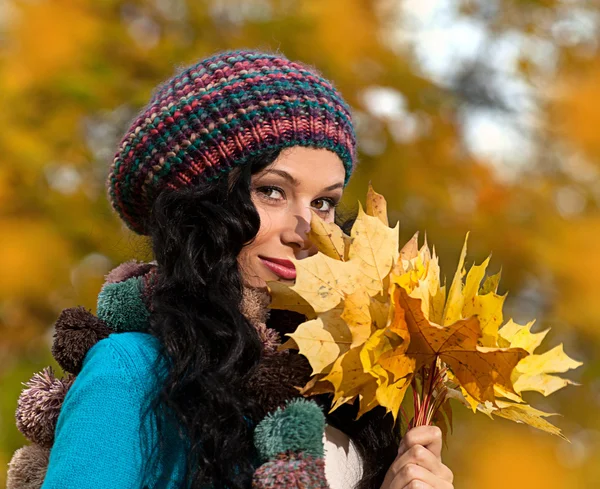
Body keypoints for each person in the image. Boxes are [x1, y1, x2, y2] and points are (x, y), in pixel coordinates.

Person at [8, 50, 454, 489]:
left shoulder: (346, 390)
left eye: (323, 203)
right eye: (272, 191)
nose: (307, 230)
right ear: (201, 206)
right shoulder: (133, 371)